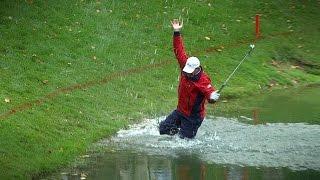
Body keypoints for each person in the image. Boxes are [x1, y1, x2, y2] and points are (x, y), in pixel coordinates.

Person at [159, 19, 220, 139]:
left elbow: (209, 92)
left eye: (190, 72)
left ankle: (183, 135)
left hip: (193, 118)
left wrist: (213, 97)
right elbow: (179, 50)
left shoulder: (203, 80)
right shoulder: (185, 66)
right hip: (180, 111)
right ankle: (177, 134)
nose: (187, 74)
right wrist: (176, 32)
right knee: (163, 129)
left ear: (197, 70)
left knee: (184, 142)